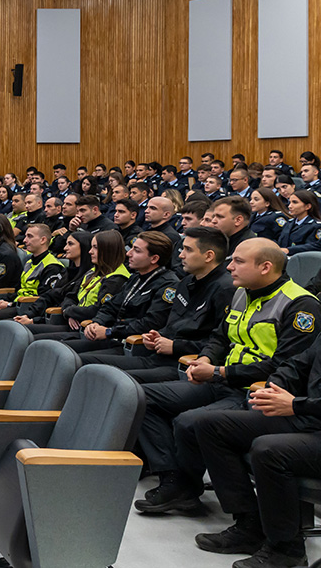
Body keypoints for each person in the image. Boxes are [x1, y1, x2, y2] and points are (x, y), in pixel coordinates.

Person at [134, 239, 321, 516]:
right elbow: (220, 337)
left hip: (250, 389)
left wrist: (220, 372)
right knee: (141, 397)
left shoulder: (301, 306)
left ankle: (239, 514)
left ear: (266, 267)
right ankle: (175, 480)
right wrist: (206, 359)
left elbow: (284, 365)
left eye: (238, 262)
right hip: (221, 379)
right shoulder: (242, 292)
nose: (229, 266)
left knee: (191, 423)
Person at [187, 344, 321, 567]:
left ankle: (287, 549)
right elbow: (297, 363)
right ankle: (250, 525)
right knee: (210, 425)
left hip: (307, 414)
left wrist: (297, 405)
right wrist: (275, 385)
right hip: (309, 417)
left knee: (269, 450)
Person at [79, 227, 234, 384]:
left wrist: (175, 346)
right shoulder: (187, 282)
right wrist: (156, 337)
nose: (180, 255)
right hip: (156, 357)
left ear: (208, 256)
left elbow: (219, 342)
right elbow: (171, 325)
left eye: (187, 249)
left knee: (110, 381)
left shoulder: (225, 290)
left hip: (184, 365)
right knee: (82, 362)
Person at [42, 232, 177, 353]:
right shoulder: (136, 277)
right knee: (48, 347)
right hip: (112, 336)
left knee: (62, 354)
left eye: (136, 250)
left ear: (154, 259)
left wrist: (108, 331)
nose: (128, 253)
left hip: (132, 346)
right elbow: (110, 306)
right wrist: (96, 323)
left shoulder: (167, 284)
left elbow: (149, 324)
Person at [0, 224, 64, 318]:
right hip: (17, 305)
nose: (25, 240)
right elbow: (19, 289)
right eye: (25, 236)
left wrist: (10, 304)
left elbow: (44, 299)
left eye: (30, 236)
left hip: (29, 310)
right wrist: (7, 301)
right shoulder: (29, 262)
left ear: (43, 240)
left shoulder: (52, 267)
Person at [212, 196, 256, 263]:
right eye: (213, 216)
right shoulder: (223, 239)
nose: (213, 221)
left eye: (220, 217)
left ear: (238, 220)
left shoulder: (248, 248)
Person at [277, 190, 321, 255]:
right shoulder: (289, 223)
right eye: (289, 202)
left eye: (295, 202)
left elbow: (315, 246)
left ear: (307, 206)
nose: (289, 206)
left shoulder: (316, 226)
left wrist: (289, 250)